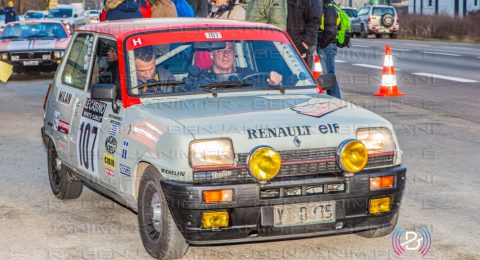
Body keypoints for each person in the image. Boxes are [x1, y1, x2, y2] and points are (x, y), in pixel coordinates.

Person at [200, 41, 282, 86]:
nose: (226, 54)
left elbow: (266, 83)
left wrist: (273, 80)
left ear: (234, 53)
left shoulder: (248, 73)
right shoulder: (200, 78)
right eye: (220, 51)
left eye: (229, 50)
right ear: (211, 55)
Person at [286, 0, 322, 68]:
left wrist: (305, 43)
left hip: (301, 44)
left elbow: (314, 21)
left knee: (302, 74)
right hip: (286, 42)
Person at [317, 0, 340, 98]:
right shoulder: (329, 5)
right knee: (328, 74)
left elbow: (331, 31)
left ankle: (335, 98)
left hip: (327, 45)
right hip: (328, 44)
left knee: (329, 75)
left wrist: (322, 44)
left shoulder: (329, 7)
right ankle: (334, 97)